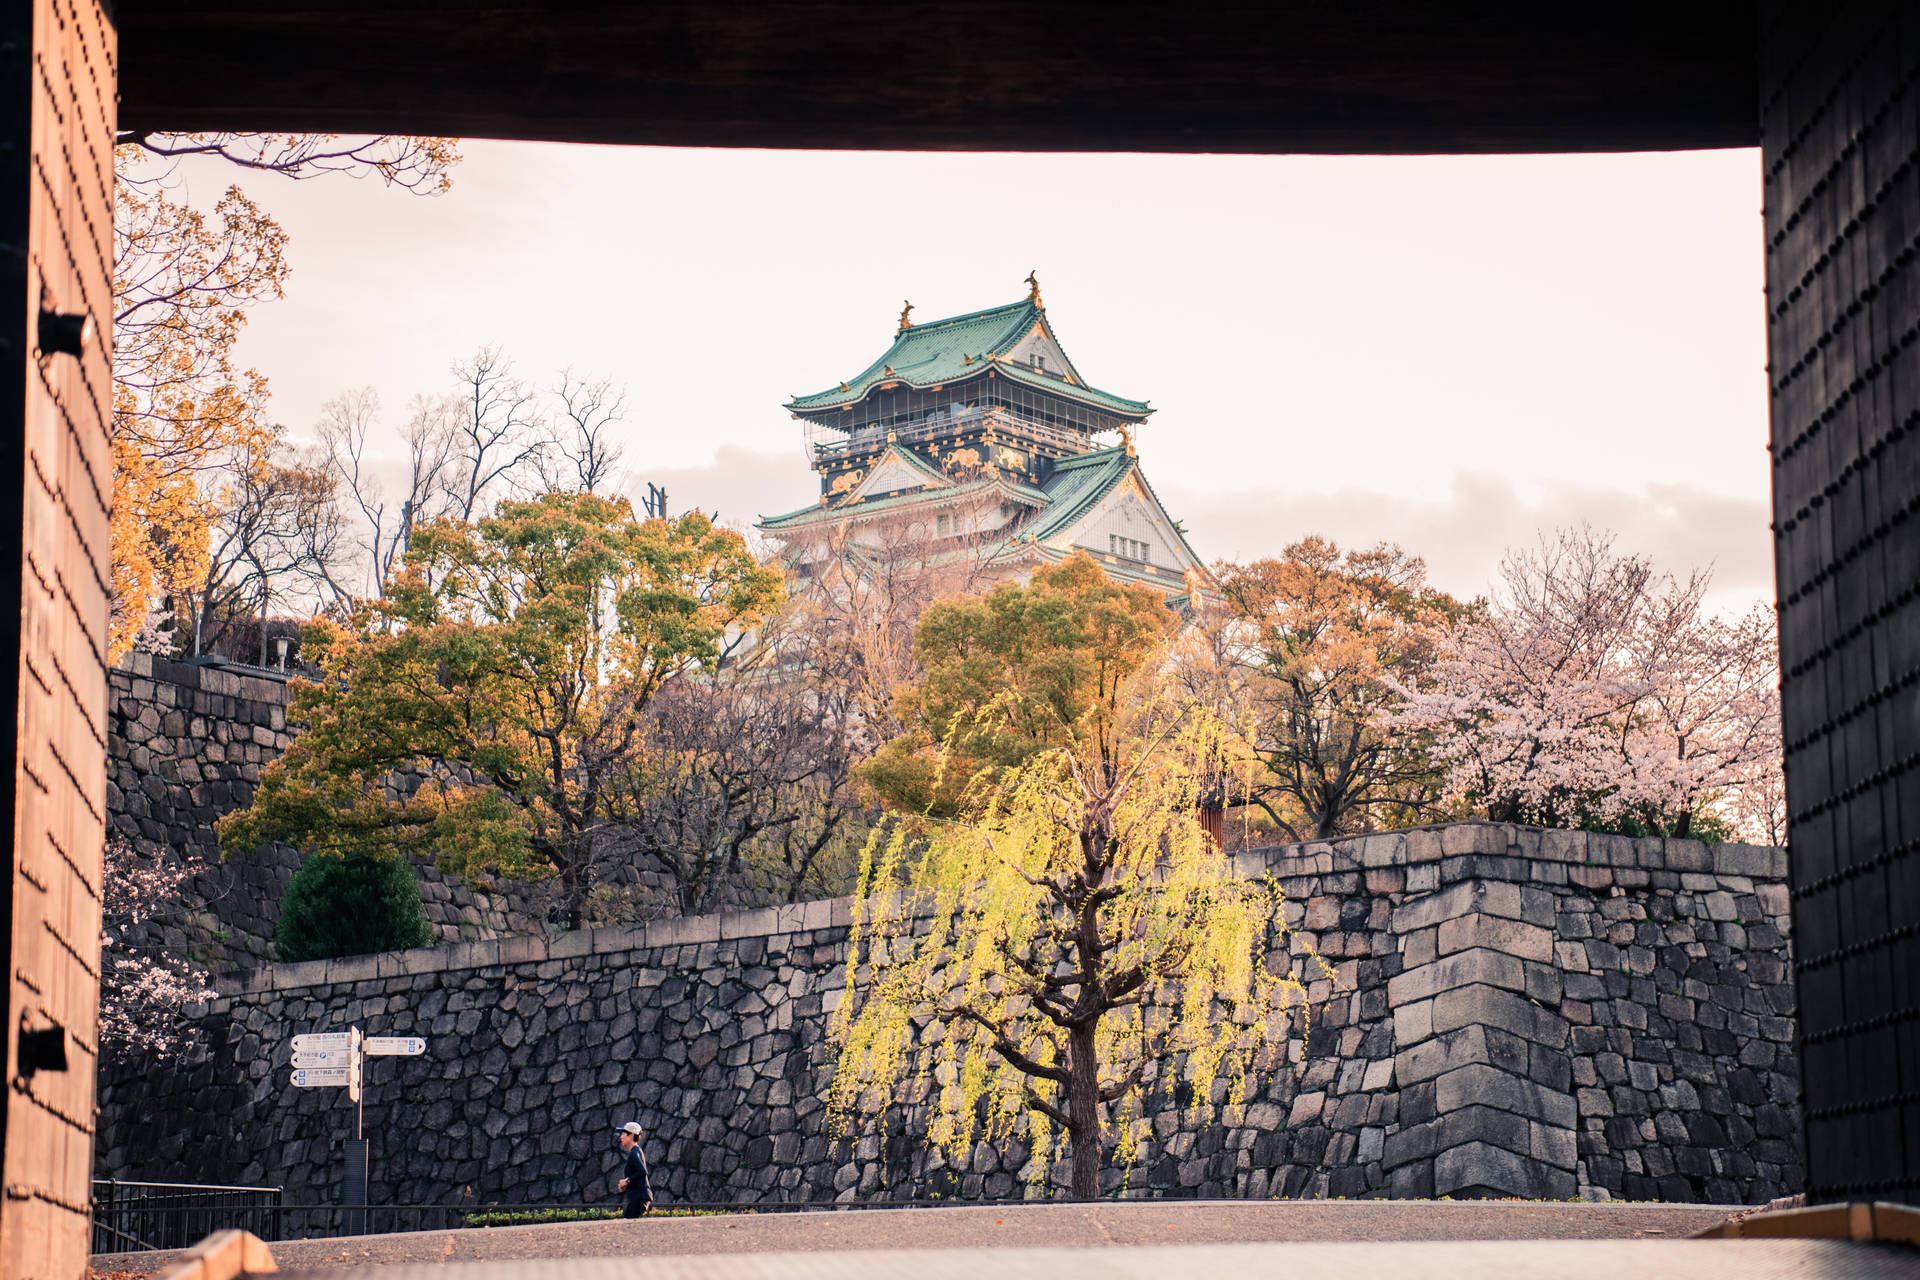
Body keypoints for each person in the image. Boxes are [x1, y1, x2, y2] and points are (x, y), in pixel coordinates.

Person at [615, 1121, 652, 1217]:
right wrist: (625, 1186)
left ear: (631, 1135)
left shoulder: (634, 1153)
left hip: (639, 1198)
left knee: (627, 1224)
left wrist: (627, 1181)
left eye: (623, 1134)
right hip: (638, 1197)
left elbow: (642, 1171)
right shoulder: (635, 1151)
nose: (621, 1137)